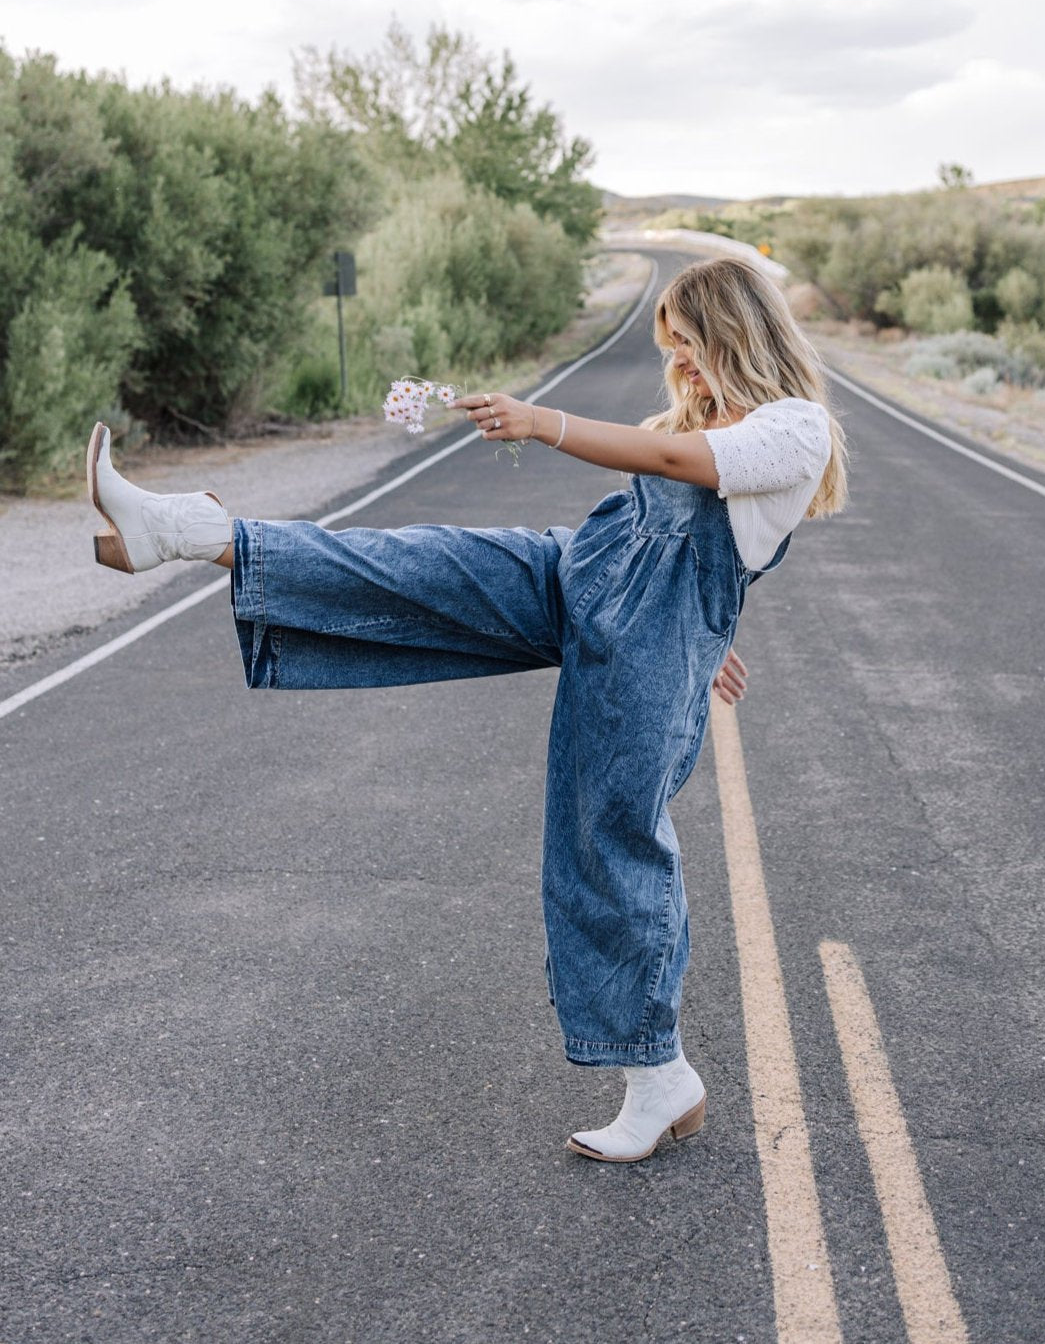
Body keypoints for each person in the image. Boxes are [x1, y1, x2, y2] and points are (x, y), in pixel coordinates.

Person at [86, 257, 847, 1163]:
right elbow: (665, 541)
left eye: (686, 338)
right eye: (670, 342)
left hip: (643, 648)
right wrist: (703, 627)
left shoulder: (798, 427)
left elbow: (691, 476)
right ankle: (182, 530)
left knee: (608, 836)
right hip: (580, 574)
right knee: (420, 565)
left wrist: (545, 424)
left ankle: (660, 1075)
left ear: (734, 328)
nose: (677, 358)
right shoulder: (699, 411)